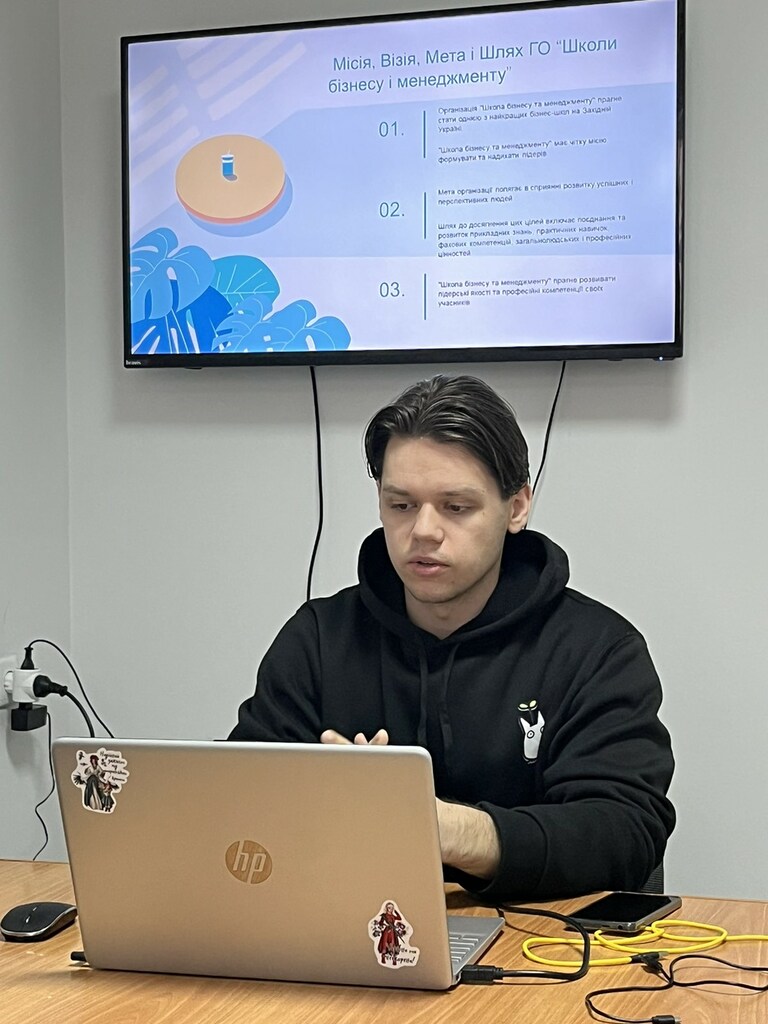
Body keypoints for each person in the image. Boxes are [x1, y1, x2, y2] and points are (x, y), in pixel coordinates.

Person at [230, 374, 675, 900]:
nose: (423, 531)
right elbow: (238, 806)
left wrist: (445, 829)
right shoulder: (319, 640)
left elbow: (624, 832)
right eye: (401, 505)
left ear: (517, 507)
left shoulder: (598, 650)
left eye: (456, 507)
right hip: (351, 926)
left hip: (538, 938)